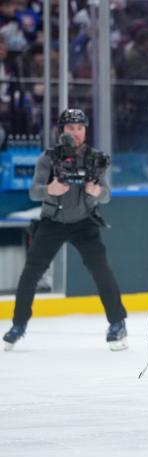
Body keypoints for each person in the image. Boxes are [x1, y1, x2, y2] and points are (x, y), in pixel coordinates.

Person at [2, 109, 128, 351]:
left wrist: (96, 192)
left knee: (102, 272)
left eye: (80, 128)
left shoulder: (95, 157)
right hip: (52, 222)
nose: (76, 133)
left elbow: (107, 195)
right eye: (70, 129)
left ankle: (117, 323)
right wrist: (50, 189)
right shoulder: (48, 158)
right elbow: (33, 191)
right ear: (61, 131)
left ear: (85, 130)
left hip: (85, 223)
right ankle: (18, 325)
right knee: (30, 274)